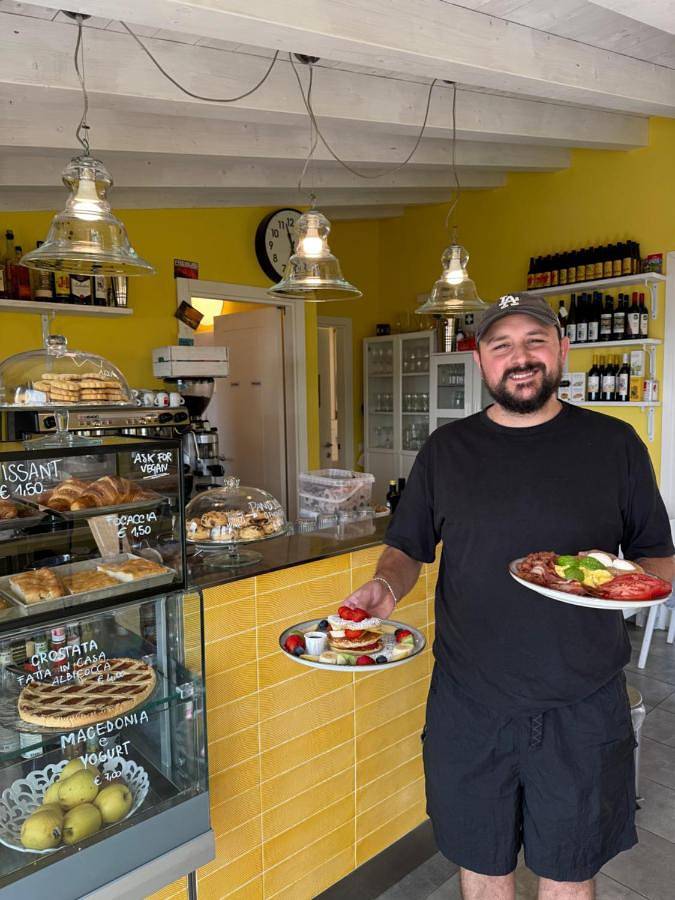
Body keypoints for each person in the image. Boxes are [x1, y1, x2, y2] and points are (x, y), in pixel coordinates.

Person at [344, 294, 675, 900]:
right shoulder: (446, 451)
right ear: (480, 361)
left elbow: (659, 557)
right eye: (501, 346)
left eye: (534, 341)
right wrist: (385, 585)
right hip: (470, 702)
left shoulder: (615, 444)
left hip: (581, 701)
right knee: (481, 866)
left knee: (571, 872)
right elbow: (407, 547)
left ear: (562, 350)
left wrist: (623, 586)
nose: (519, 358)